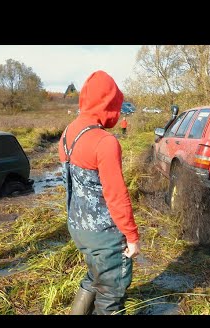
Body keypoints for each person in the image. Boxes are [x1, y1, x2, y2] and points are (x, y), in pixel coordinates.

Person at [58, 70, 140, 315]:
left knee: (94, 277)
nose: (117, 112)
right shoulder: (104, 141)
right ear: (107, 104)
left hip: (78, 227)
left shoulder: (67, 134)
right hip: (104, 235)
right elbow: (116, 195)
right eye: (115, 105)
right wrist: (132, 236)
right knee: (111, 292)